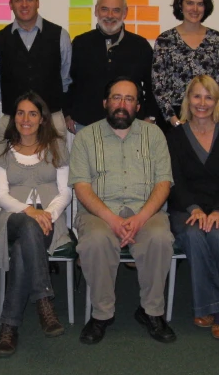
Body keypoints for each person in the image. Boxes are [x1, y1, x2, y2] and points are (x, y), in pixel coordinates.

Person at [70, 77, 175, 345]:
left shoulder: (154, 135)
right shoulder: (85, 137)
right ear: (105, 103)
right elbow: (81, 187)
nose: (122, 104)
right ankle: (101, 314)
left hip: (146, 211)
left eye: (129, 99)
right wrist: (113, 220)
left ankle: (151, 312)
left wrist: (140, 219)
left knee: (160, 238)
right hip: (99, 213)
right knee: (95, 240)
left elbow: (164, 183)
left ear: (138, 106)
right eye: (116, 98)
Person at [0, 92, 72, 357]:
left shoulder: (57, 147)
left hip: (51, 219)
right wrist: (29, 211)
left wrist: (46, 214)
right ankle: (44, 301)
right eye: (20, 113)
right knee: (27, 225)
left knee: (26, 242)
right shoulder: (3, 150)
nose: (25, 119)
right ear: (13, 118)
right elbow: (1, 196)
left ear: (42, 119)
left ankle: (9, 326)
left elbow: (65, 192)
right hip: (14, 217)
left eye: (32, 114)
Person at [166, 75, 219, 340]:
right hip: (185, 209)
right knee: (192, 234)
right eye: (197, 96)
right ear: (188, 99)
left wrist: (218, 211)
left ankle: (211, 307)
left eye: (208, 97)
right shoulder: (175, 136)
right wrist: (194, 209)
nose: (202, 103)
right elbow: (174, 180)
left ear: (217, 101)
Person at [64, 0, 158, 133]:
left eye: (116, 10)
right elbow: (69, 81)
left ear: (125, 13)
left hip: (130, 125)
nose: (109, 15)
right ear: (96, 10)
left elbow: (153, 85)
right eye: (104, 9)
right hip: (86, 125)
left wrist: (150, 116)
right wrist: (68, 113)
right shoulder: (80, 43)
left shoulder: (140, 46)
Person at [0, 0, 71, 140]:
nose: (24, 5)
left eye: (29, 0)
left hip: (52, 120)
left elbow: (65, 78)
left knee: (55, 165)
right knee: (10, 164)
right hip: (14, 121)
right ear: (11, 4)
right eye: (18, 0)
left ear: (37, 2)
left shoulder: (60, 36)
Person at [152, 0, 219, 132]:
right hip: (173, 117)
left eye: (200, 4)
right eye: (190, 3)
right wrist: (174, 120)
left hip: (207, 116)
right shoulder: (165, 40)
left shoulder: (217, 40)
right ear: (180, 4)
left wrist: (209, 118)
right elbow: (158, 86)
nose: (194, 9)